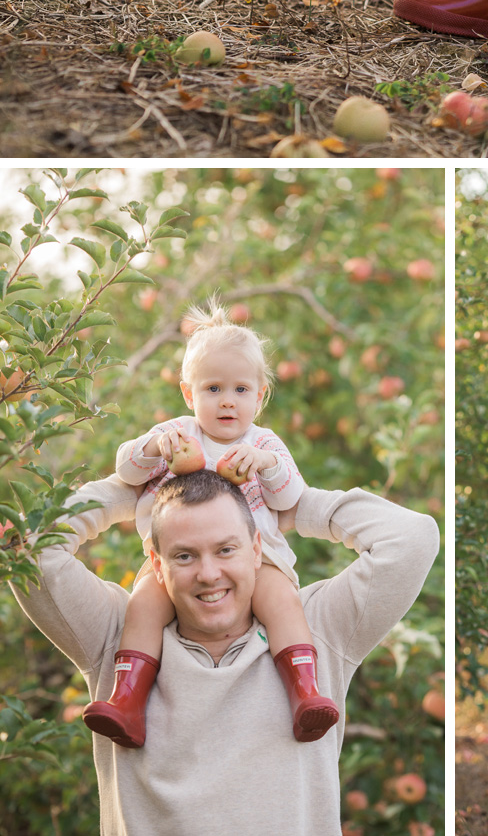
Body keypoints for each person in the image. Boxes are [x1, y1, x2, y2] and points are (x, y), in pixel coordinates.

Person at [12, 467, 439, 836]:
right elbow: (30, 545)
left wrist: (293, 499)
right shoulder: (116, 638)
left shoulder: (315, 630)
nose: (209, 574)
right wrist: (133, 490)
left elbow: (412, 538)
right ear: (157, 565)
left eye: (226, 549)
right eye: (184, 556)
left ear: (257, 550)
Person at [82, 301, 338, 749]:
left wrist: (265, 464)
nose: (226, 400)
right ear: (188, 394)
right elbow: (125, 469)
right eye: (213, 388)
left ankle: (306, 692)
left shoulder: (263, 443)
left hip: (259, 557)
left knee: (282, 603)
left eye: (240, 390)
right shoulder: (178, 432)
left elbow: (291, 497)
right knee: (143, 605)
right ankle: (127, 700)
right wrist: (155, 446)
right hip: (176, 560)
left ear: (259, 397)